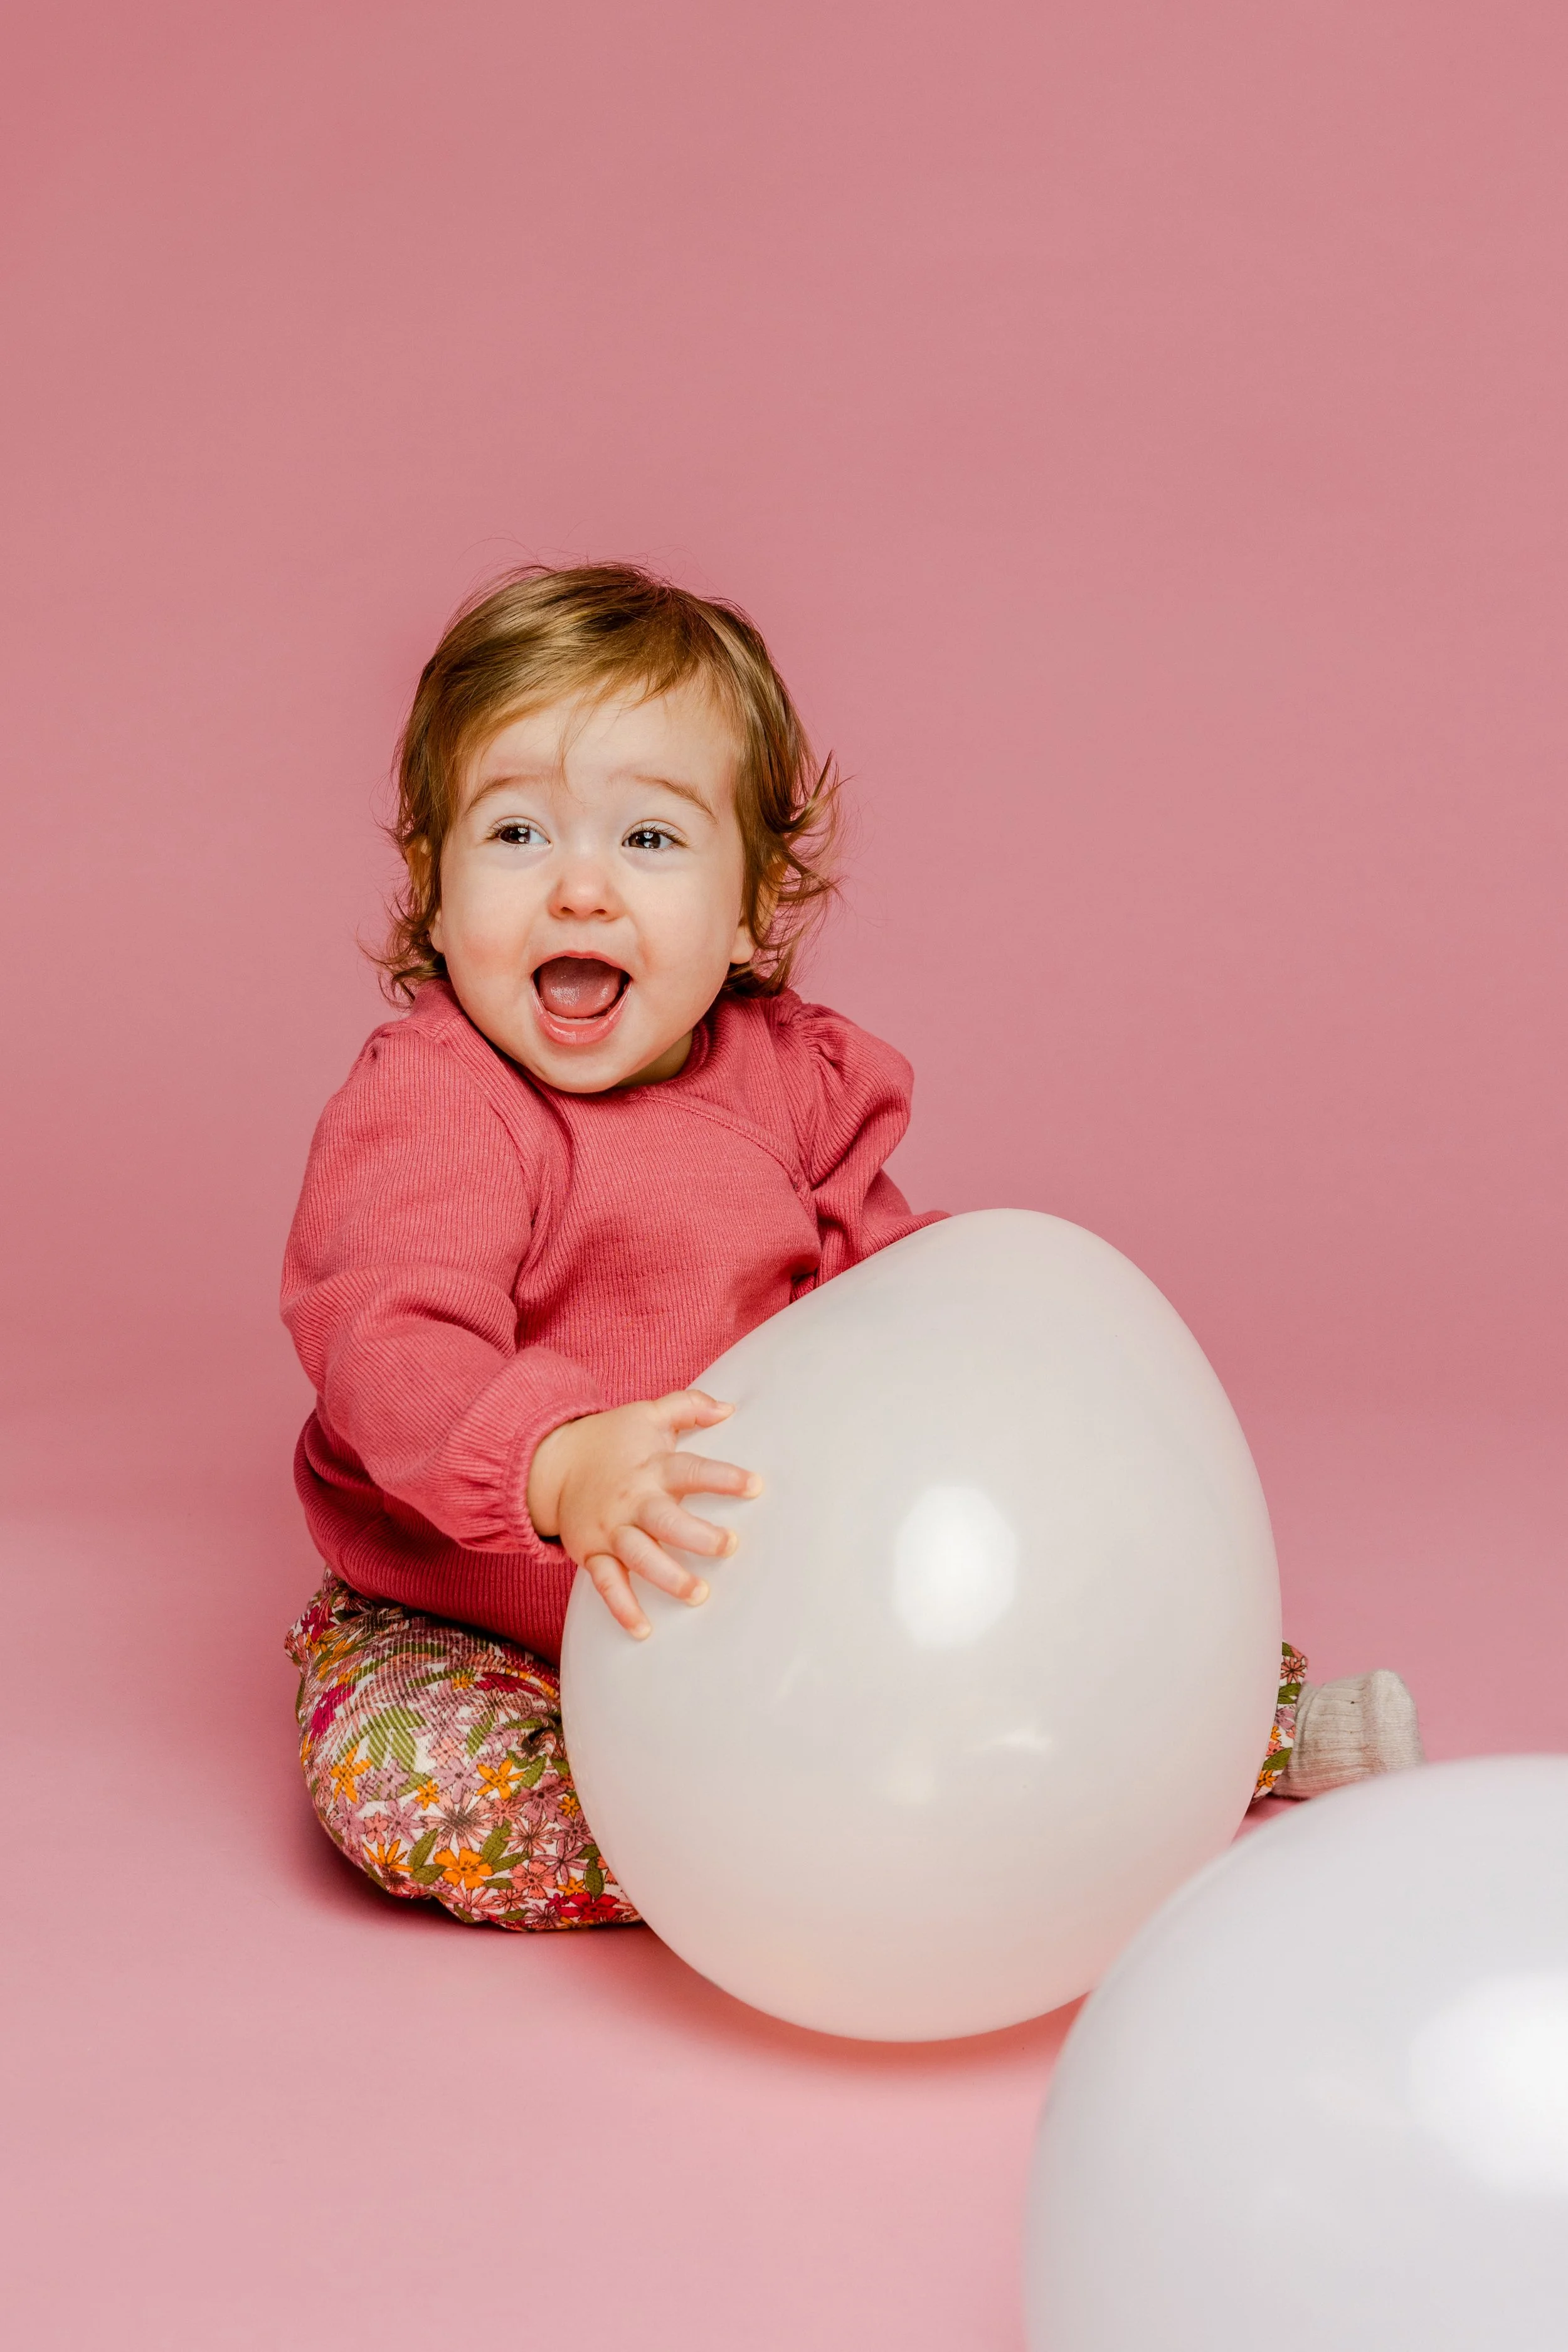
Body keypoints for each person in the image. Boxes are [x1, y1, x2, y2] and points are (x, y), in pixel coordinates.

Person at [282, 563, 1423, 1932]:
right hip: (466, 1612)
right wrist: (554, 1461)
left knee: (1056, 1608)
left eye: (649, 839)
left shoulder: (795, 1086)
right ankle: (724, 1838)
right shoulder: (434, 1103)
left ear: (751, 904)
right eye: (517, 833)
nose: (580, 890)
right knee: (410, 1782)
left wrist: (991, 1387)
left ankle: (1236, 1729)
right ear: (432, 882)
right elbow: (389, 1345)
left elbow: (883, 1308)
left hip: (739, 1606)